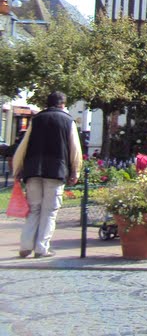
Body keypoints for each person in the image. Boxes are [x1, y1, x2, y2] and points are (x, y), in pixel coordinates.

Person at [12, 91, 82, 258]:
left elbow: (24, 145)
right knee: (50, 211)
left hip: (33, 169)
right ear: (63, 104)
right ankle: (42, 248)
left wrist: (17, 168)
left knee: (33, 209)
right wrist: (75, 171)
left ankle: (26, 245)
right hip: (56, 170)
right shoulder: (67, 121)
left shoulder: (36, 120)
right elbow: (75, 149)